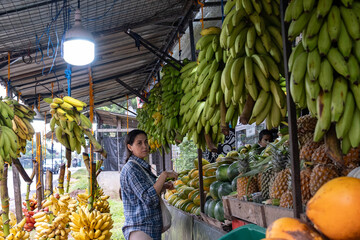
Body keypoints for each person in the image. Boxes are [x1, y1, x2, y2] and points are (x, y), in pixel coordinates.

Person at [120, 129, 178, 240]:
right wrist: (164, 175)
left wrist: (163, 185)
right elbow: (148, 198)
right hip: (141, 230)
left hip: (149, 229)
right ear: (130, 147)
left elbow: (147, 190)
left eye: (146, 142)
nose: (145, 146)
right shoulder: (131, 169)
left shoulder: (140, 167)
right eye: (139, 143)